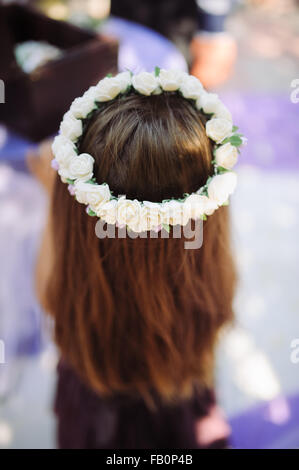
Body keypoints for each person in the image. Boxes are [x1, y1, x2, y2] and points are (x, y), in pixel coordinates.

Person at [28, 69, 241, 449]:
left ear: (71, 215)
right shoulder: (214, 287)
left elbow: (48, 291)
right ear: (212, 214)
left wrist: (50, 194)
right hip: (182, 391)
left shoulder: (64, 287)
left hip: (95, 409)